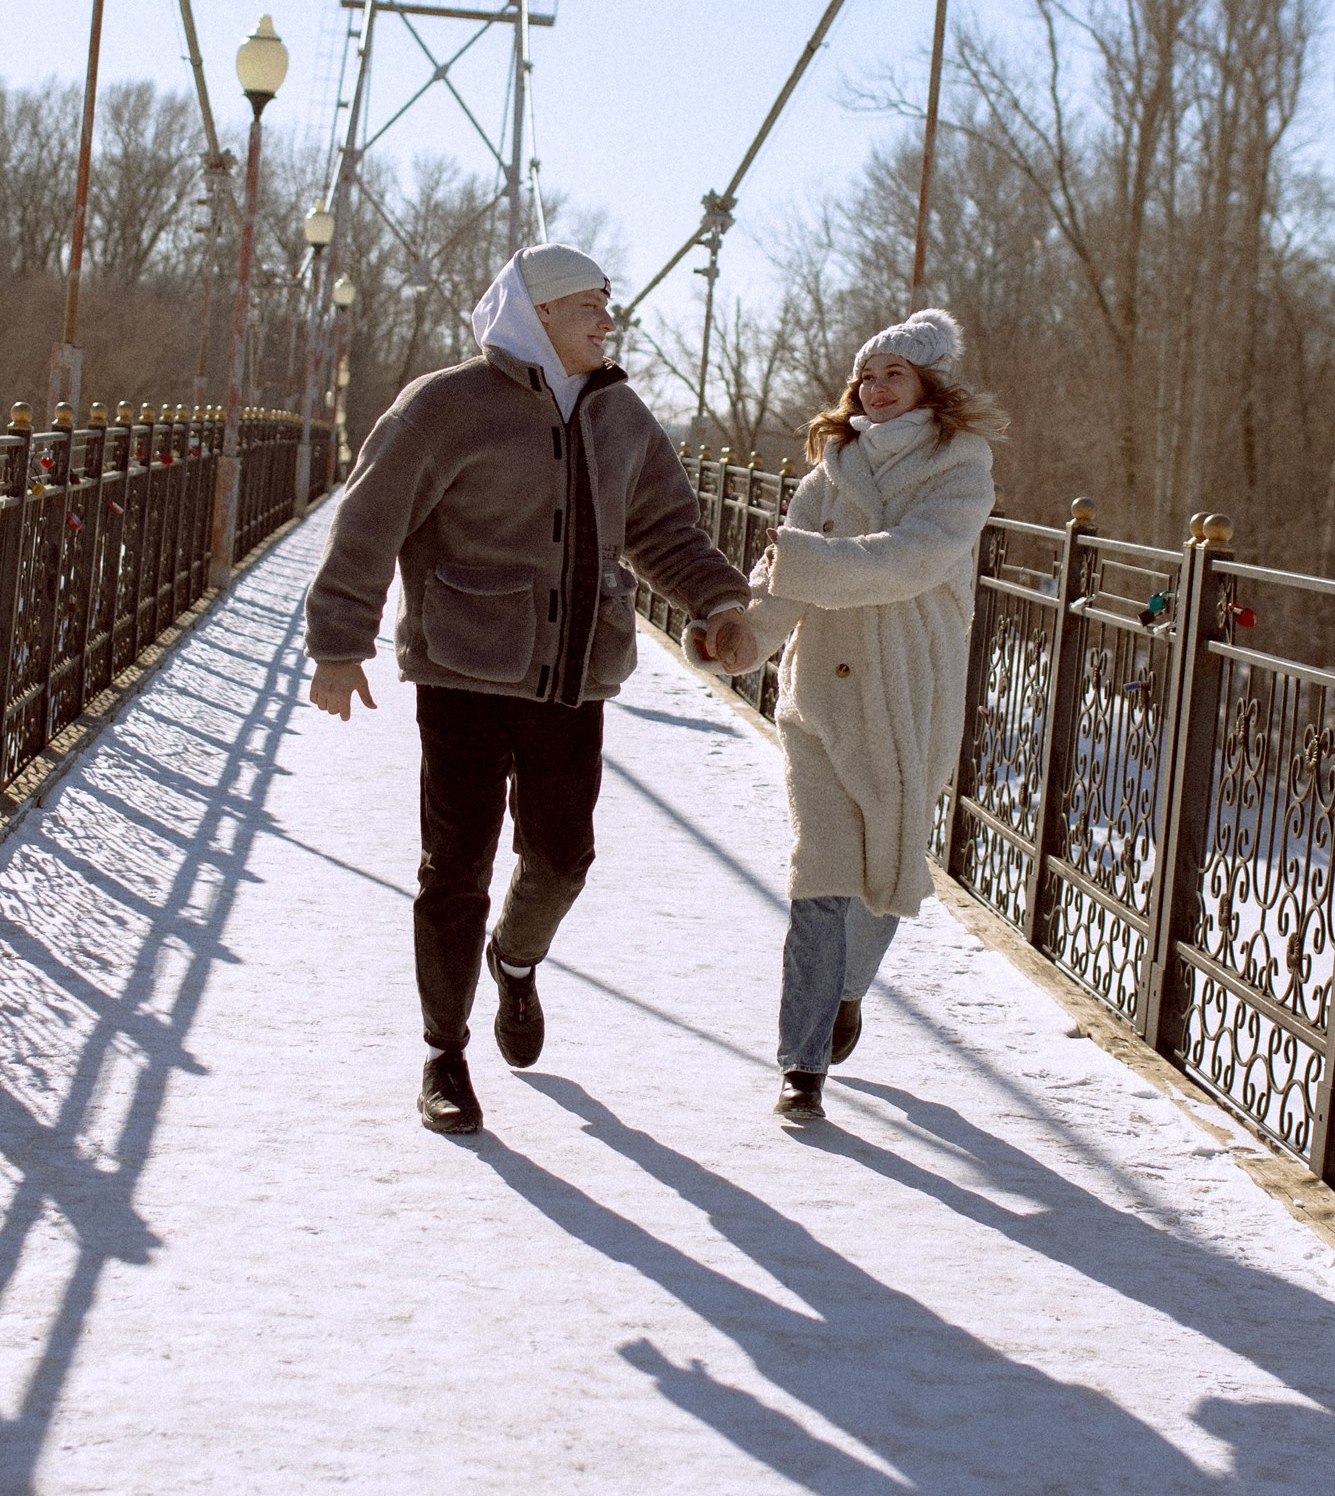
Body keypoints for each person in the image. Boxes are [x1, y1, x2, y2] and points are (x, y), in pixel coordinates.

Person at [305, 243, 759, 1135]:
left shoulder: (621, 415)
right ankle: (444, 1051)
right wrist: (339, 642)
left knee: (562, 858)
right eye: (589, 303)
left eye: (608, 302)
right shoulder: (446, 406)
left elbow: (666, 531)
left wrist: (720, 603)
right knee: (456, 866)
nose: (607, 317)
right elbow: (370, 516)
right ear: (538, 312)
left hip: (576, 671)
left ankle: (514, 960)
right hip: (463, 671)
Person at [722, 306, 1000, 1122]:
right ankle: (800, 1063)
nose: (875, 390)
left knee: (886, 872)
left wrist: (802, 559)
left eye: (894, 375)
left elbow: (912, 561)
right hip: (822, 702)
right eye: (866, 377)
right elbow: (781, 581)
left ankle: (845, 993)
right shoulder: (829, 474)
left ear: (928, 385)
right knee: (820, 874)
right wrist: (741, 638)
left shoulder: (961, 466)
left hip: (912, 694)